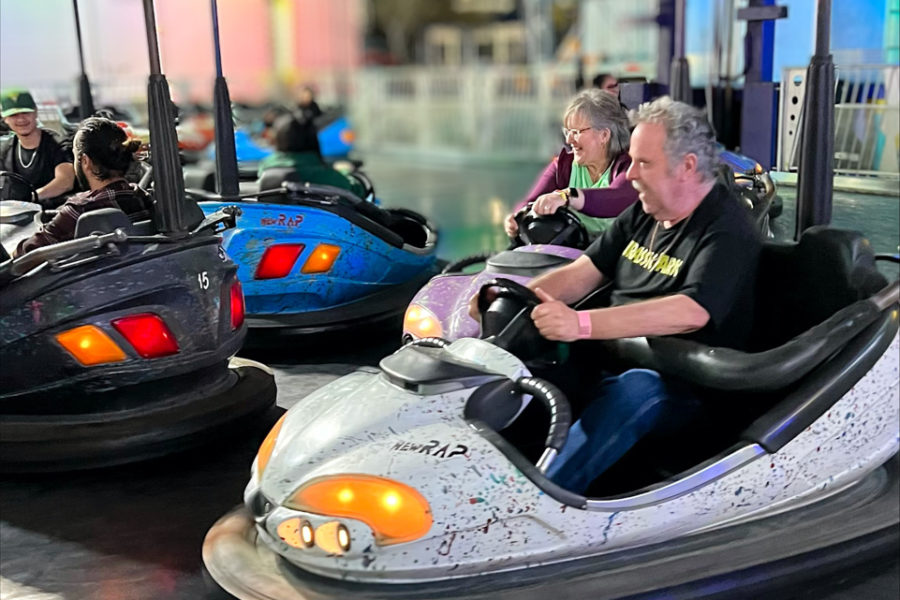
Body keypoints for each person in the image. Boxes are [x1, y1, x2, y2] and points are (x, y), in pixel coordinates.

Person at [474, 97, 761, 494]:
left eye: (644, 164)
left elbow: (691, 311)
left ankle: (532, 502)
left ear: (687, 167)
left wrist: (580, 323)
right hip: (613, 358)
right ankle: (474, 473)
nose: (630, 176)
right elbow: (582, 273)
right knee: (530, 358)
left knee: (636, 390)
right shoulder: (647, 209)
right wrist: (510, 297)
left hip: (686, 384)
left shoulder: (726, 228)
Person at [505, 89, 637, 240]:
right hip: (574, 254)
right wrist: (516, 217)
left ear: (604, 135)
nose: (568, 140)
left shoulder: (629, 167)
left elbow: (616, 197)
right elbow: (528, 202)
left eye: (576, 132)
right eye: (567, 132)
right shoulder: (562, 167)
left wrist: (567, 196)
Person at [15, 117, 150, 256]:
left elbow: (29, 252)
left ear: (85, 161)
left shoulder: (80, 209)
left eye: (75, 156)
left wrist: (15, 251)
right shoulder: (141, 195)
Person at [257, 114, 365, 197]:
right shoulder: (322, 175)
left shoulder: (265, 166)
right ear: (313, 141)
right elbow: (357, 191)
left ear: (279, 140)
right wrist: (345, 171)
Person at [0, 89, 75, 205]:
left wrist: (31, 198)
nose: (21, 119)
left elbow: (65, 181)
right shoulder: (5, 149)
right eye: (13, 115)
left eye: (25, 113)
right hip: (15, 215)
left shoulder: (57, 143)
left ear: (35, 112)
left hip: (54, 215)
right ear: (5, 118)